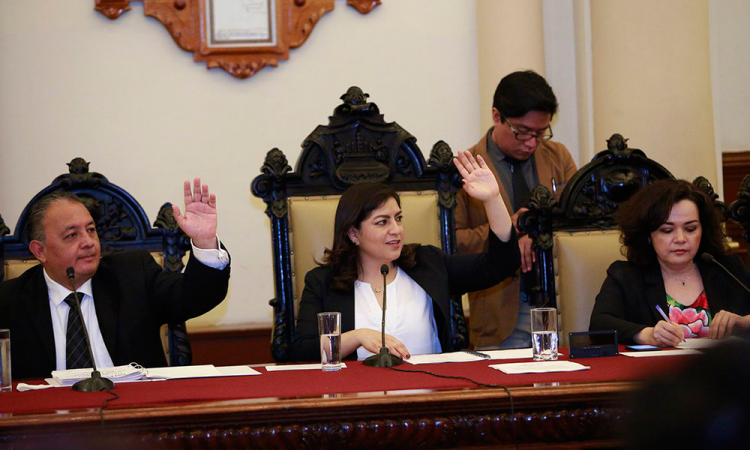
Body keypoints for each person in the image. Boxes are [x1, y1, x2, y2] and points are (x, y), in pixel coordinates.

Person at [291, 150, 521, 361]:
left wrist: (493, 199)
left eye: (398, 218)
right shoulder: (323, 282)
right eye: (382, 222)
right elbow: (302, 351)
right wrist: (357, 336)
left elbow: (502, 263)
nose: (396, 230)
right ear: (353, 234)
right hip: (357, 391)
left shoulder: (427, 263)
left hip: (431, 388)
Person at [0, 178, 231, 380]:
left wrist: (204, 242)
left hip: (134, 411)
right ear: (40, 251)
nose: (88, 242)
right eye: (72, 235)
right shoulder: (8, 302)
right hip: (49, 416)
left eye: (91, 230)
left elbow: (195, 295)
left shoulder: (133, 274)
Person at [455, 70, 577, 349]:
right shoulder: (467, 169)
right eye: (522, 132)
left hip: (560, 303)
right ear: (497, 116)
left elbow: (580, 220)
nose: (531, 143)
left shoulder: (558, 157)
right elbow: (456, 244)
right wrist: (509, 228)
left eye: (540, 133)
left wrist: (536, 235)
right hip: (500, 314)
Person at [590, 179, 750, 345]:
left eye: (690, 229)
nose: (680, 239)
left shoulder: (728, 268)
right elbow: (599, 326)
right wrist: (646, 334)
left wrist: (743, 323)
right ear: (648, 235)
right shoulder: (626, 276)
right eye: (667, 230)